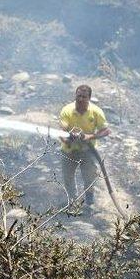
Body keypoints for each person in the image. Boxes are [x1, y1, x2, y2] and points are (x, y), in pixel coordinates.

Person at [59, 84, 111, 212]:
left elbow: (106, 131)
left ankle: (89, 202)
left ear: (89, 98)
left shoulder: (96, 112)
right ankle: (72, 202)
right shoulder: (67, 111)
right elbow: (62, 130)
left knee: (89, 176)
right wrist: (68, 139)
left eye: (84, 96)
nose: (81, 99)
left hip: (88, 151)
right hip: (69, 150)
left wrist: (90, 136)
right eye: (78, 96)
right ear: (75, 96)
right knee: (68, 177)